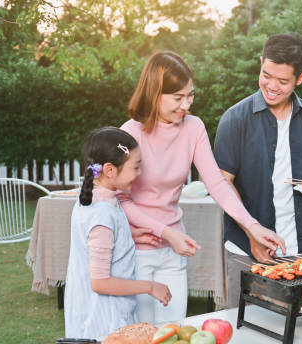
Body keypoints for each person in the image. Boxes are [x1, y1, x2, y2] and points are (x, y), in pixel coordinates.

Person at [118, 51, 286, 324]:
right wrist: (163, 232)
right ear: (155, 93)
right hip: (135, 251)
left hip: (173, 252)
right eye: (177, 98)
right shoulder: (130, 133)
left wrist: (253, 226)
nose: (186, 105)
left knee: (172, 332)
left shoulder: (193, 128)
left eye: (190, 95)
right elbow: (122, 199)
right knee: (140, 334)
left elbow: (217, 184)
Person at [213, 33, 302, 308]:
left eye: (283, 81)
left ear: (300, 78)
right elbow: (222, 184)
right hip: (246, 250)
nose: (271, 86)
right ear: (260, 63)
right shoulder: (235, 119)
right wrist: (251, 233)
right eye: (266, 75)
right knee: (247, 332)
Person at [65, 127, 171, 338]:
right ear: (110, 170)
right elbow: (100, 282)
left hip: (108, 315)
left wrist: (130, 235)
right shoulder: (101, 216)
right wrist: (150, 286)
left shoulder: (100, 199)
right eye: (136, 167)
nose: (140, 174)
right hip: (103, 323)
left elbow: (98, 242)